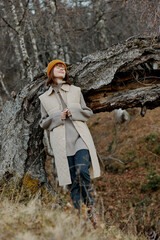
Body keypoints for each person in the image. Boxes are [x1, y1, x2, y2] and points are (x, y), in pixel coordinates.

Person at [38, 59, 102, 228]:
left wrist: (73, 112)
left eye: (63, 68)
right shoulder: (44, 98)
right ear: (50, 73)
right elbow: (43, 123)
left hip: (80, 138)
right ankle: (79, 218)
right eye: (58, 67)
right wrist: (59, 116)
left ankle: (91, 209)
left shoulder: (76, 91)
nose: (62, 69)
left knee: (82, 171)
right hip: (62, 144)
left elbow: (88, 112)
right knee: (73, 182)